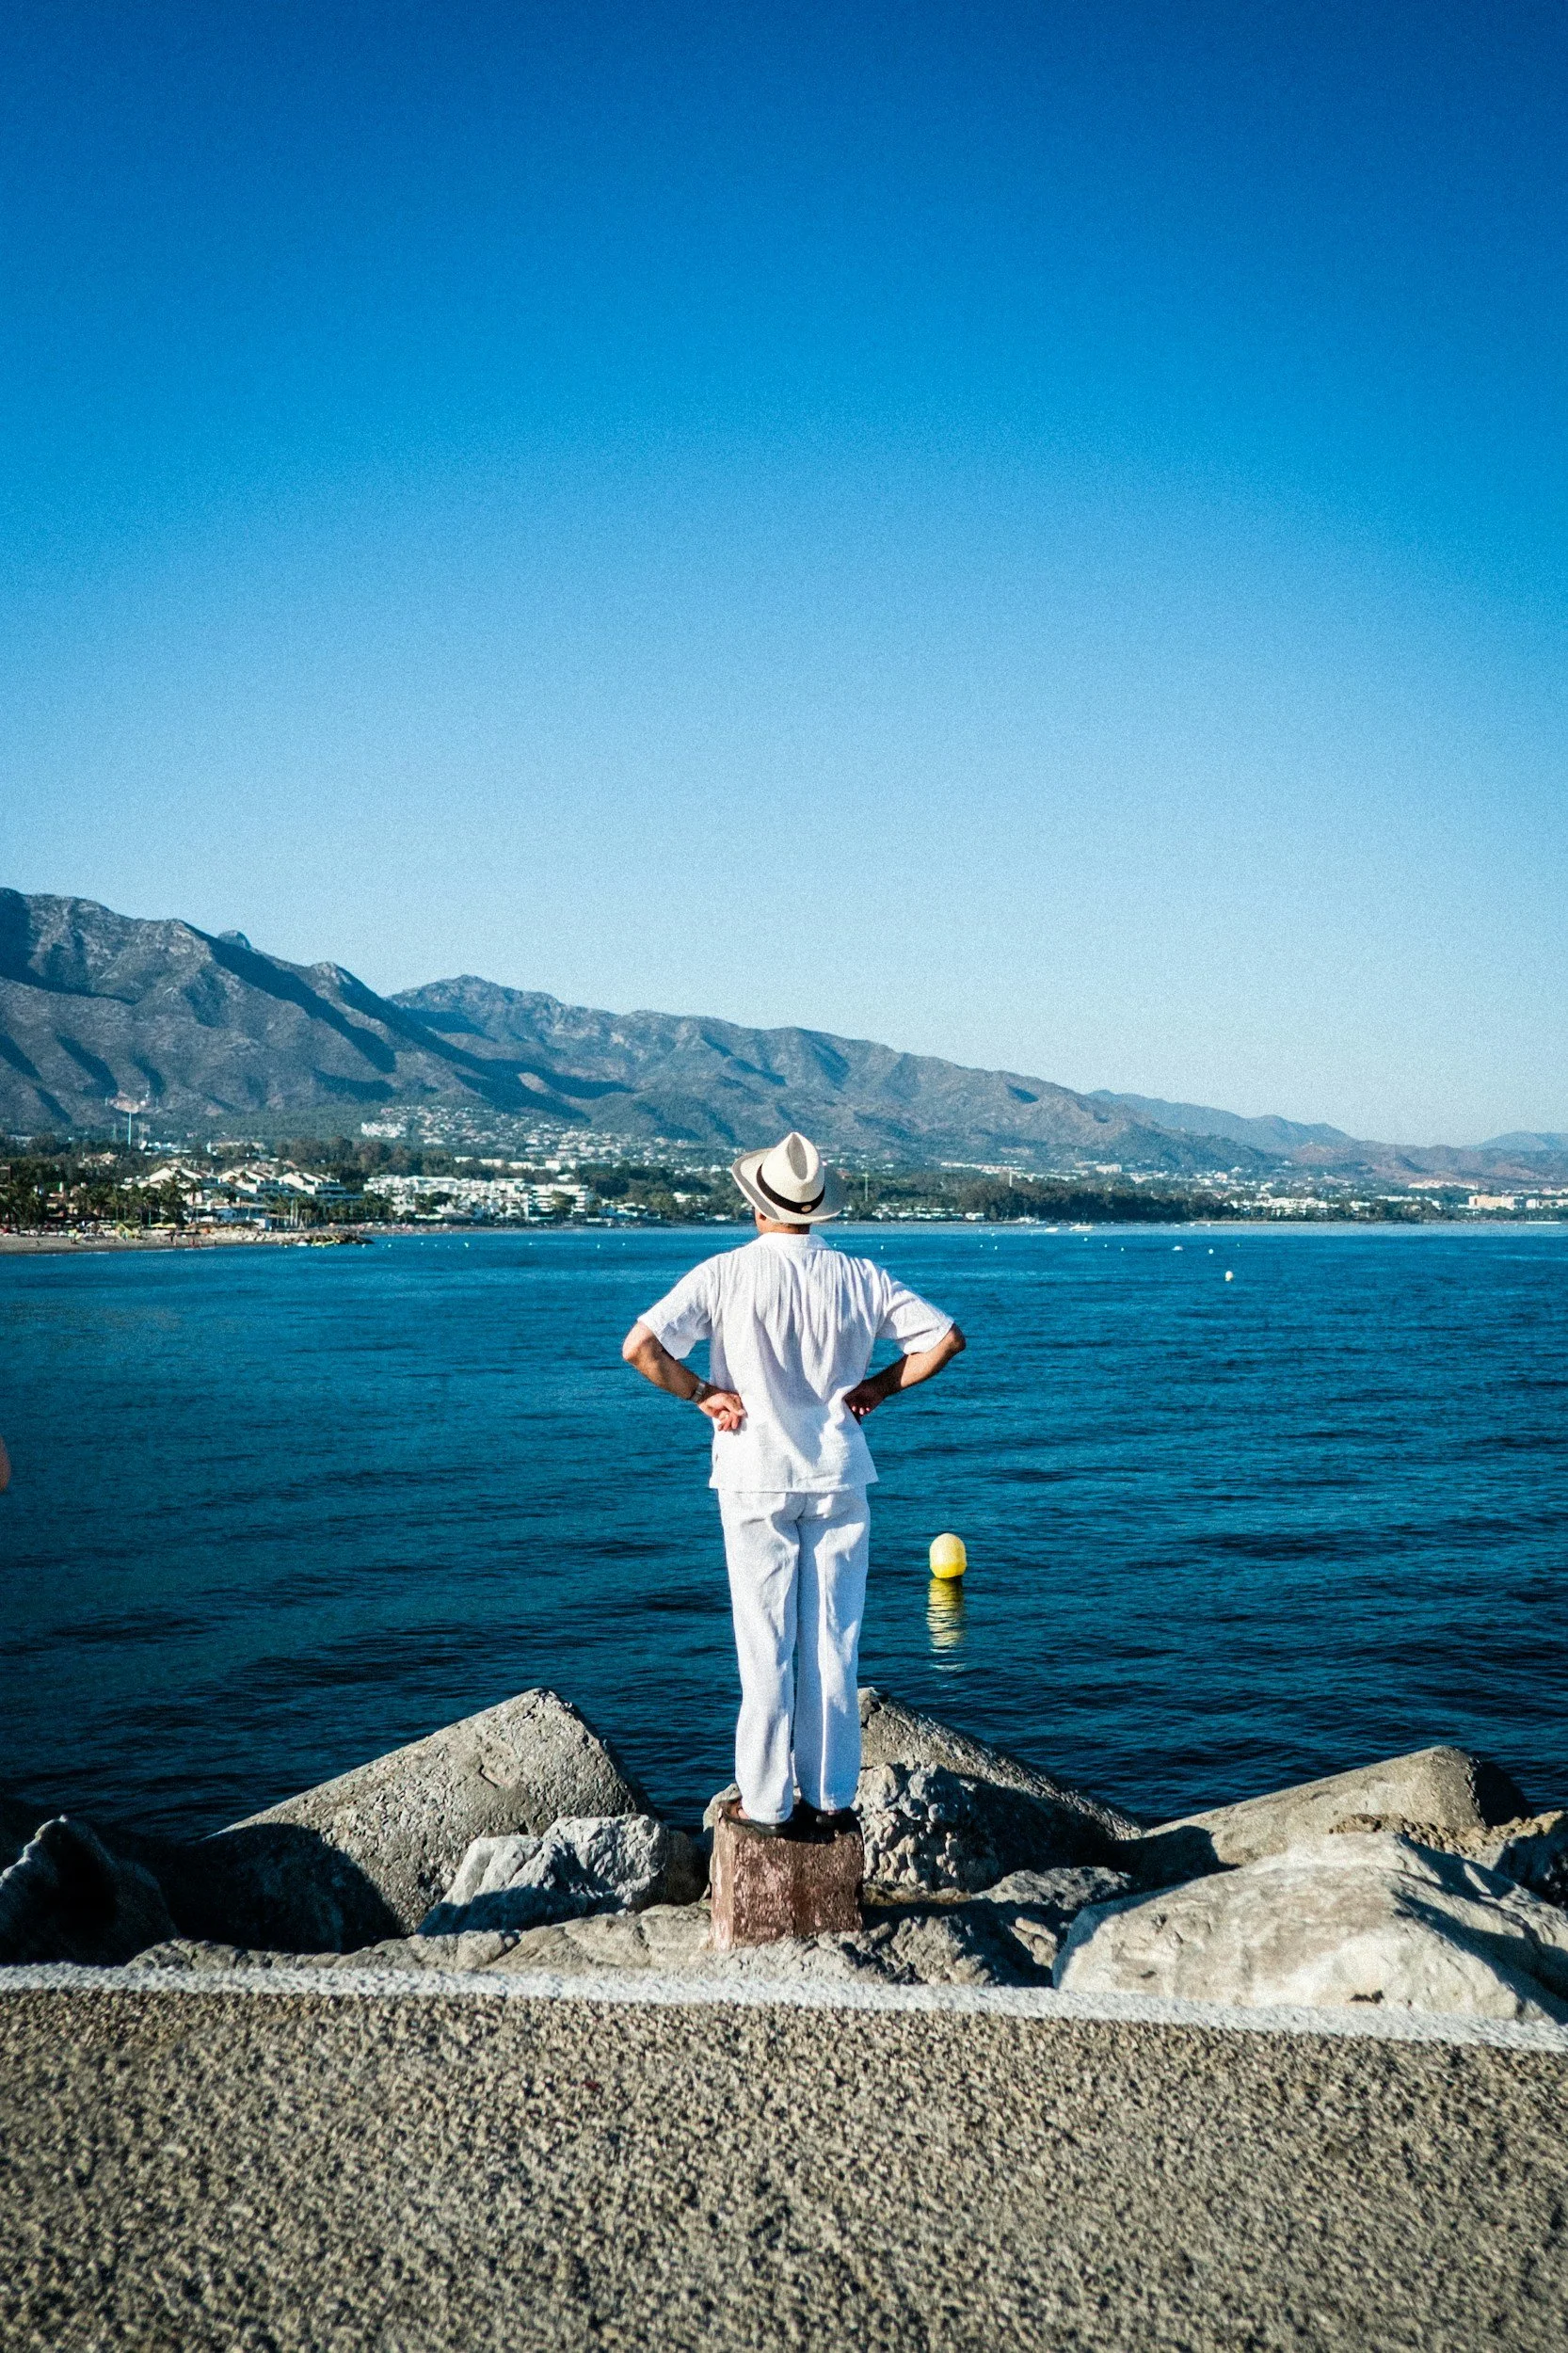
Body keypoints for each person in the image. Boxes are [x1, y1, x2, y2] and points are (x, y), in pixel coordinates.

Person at [621, 1130, 965, 1833]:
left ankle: (768, 1800)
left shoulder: (723, 1274)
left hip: (753, 1477)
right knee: (834, 1642)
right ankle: (833, 1795)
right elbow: (945, 1339)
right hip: (838, 1476)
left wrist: (703, 1394)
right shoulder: (862, 1276)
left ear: (756, 1204)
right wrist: (879, 1386)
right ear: (816, 1210)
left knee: (765, 1642)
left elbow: (641, 1349)